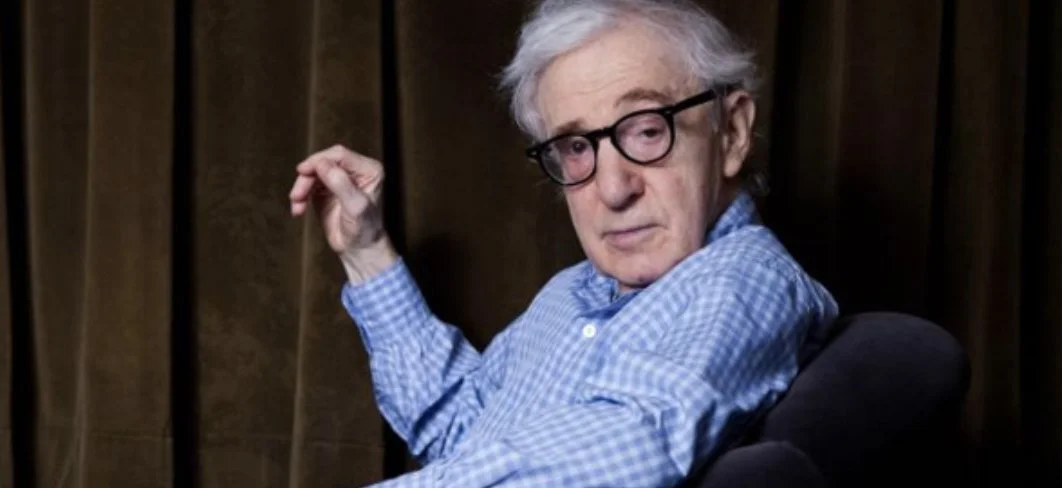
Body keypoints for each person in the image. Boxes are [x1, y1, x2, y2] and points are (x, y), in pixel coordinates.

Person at [288, 0, 838, 486]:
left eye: (648, 130)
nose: (613, 189)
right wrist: (366, 251)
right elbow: (461, 430)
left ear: (733, 132)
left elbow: (628, 440)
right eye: (577, 146)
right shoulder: (572, 292)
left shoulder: (747, 282)